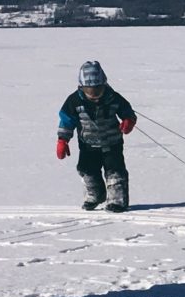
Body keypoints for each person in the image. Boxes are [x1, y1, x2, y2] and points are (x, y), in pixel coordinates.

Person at [55, 60, 136, 211]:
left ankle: (117, 201)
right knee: (87, 170)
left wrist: (128, 121)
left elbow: (127, 112)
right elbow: (66, 121)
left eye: (98, 90)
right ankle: (95, 195)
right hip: (87, 145)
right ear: (81, 87)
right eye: (90, 91)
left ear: (104, 84)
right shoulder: (73, 101)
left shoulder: (113, 97)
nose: (94, 95)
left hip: (112, 143)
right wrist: (62, 140)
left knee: (115, 171)